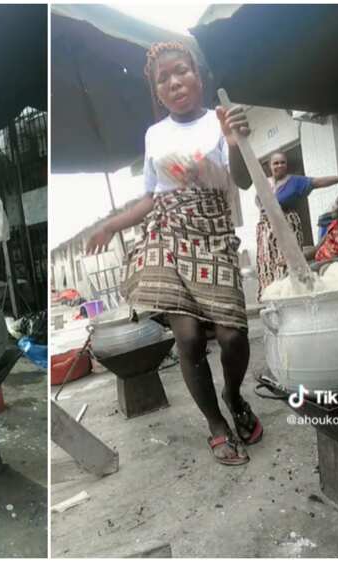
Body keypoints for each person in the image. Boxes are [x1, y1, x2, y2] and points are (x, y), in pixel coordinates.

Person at [86, 42, 259, 466]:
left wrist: (235, 141)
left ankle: (232, 394)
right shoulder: (154, 135)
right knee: (189, 338)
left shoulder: (220, 123)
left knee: (234, 334)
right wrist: (111, 224)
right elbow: (152, 196)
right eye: (163, 79)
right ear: (157, 91)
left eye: (180, 72)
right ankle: (216, 425)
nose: (174, 81)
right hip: (167, 237)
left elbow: (242, 182)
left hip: (213, 235)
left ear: (198, 76)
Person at [254, 151, 338, 300]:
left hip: (286, 227)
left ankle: (290, 298)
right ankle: (271, 298)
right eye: (276, 163)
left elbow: (319, 182)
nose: (280, 165)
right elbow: (259, 200)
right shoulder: (264, 183)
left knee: (287, 263)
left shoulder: (296, 181)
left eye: (283, 162)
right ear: (270, 166)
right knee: (268, 265)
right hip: (266, 230)